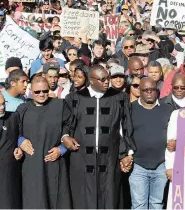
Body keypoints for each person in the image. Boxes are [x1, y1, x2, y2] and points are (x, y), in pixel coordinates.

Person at [63, 65, 135, 208]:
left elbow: (125, 127)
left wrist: (126, 153)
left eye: (107, 78)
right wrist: (65, 136)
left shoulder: (119, 98)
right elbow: (67, 124)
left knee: (109, 196)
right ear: (91, 80)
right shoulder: (74, 98)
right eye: (102, 79)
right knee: (83, 197)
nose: (107, 82)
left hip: (109, 157)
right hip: (82, 156)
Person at [17, 76, 72, 208]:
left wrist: (62, 149)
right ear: (31, 91)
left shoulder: (60, 105)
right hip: (31, 165)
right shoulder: (22, 109)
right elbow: (12, 131)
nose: (42, 94)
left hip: (54, 163)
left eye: (45, 91)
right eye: (37, 92)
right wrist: (20, 141)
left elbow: (70, 128)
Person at [129, 77, 172, 209]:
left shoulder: (167, 109)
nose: (149, 92)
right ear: (139, 91)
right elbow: (125, 135)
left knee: (157, 204)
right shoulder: (130, 109)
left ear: (157, 91)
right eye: (145, 90)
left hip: (161, 165)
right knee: (138, 205)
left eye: (152, 89)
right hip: (138, 166)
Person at [0, 92, 22, 208]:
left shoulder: (13, 117)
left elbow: (21, 134)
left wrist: (19, 146)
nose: (2, 107)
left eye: (4, 104)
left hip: (9, 172)